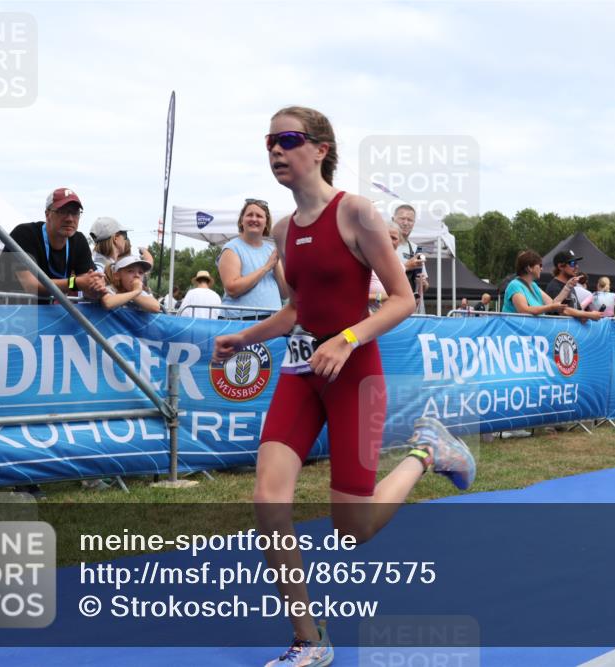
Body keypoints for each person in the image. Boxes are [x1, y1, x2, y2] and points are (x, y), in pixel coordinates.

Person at [212, 106, 475, 666]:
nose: (276, 151)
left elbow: (403, 299)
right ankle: (310, 640)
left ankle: (430, 452)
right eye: (269, 141)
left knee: (352, 530)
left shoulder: (355, 212)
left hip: (355, 376)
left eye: (287, 140)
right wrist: (245, 338)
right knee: (268, 501)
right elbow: (297, 311)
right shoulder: (284, 229)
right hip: (301, 375)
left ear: (321, 149)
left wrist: (349, 337)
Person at [0, 187, 106, 303]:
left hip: (41, 314)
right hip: (3, 311)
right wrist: (75, 283)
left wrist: (95, 285)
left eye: (75, 212)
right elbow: (31, 286)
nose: (70, 219)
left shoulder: (78, 240)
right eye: (62, 211)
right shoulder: (24, 234)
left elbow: (88, 281)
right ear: (47, 214)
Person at [217, 199, 286, 321]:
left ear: (266, 223)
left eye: (259, 216)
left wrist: (275, 266)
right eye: (249, 215)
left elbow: (285, 293)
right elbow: (232, 289)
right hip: (241, 322)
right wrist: (266, 267)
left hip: (272, 321)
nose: (254, 219)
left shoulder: (272, 251)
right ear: (241, 221)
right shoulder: (232, 249)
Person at [503, 250, 575, 315]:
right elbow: (524, 310)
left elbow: (553, 303)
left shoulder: (533, 285)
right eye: (540, 265)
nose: (542, 269)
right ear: (529, 268)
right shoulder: (515, 285)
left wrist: (568, 287)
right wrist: (550, 308)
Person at [544, 250, 607, 322]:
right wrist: (589, 315)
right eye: (572, 263)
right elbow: (563, 310)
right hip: (561, 332)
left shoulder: (570, 286)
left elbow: (577, 311)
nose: (577, 266)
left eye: (576, 263)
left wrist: (587, 317)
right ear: (560, 266)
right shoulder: (554, 287)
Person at [392, 204, 430, 313]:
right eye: (402, 218)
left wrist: (423, 284)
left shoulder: (416, 249)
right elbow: (378, 278)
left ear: (414, 224)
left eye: (410, 220)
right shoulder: (384, 244)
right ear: (393, 219)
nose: (405, 223)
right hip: (388, 308)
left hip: (410, 311)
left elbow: (424, 285)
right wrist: (407, 266)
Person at [89, 216, 154, 274]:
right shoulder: (101, 270)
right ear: (115, 238)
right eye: (125, 235)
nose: (126, 240)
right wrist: (144, 251)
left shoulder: (100, 265)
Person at [368, 221, 404, 313]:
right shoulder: (366, 262)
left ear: (399, 242)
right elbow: (355, 297)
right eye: (386, 236)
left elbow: (401, 297)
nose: (390, 241)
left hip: (390, 320)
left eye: (394, 238)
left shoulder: (400, 267)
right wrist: (381, 297)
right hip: (365, 319)